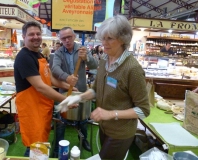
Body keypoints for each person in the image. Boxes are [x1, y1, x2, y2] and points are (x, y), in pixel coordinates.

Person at [58, 15, 150, 159]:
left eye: (110, 38)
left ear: (123, 39)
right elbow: (95, 90)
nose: (104, 43)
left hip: (121, 132)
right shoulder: (105, 59)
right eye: (103, 38)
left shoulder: (133, 69)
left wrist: (111, 114)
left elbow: (144, 110)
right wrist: (77, 98)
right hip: (104, 127)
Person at [14, 21, 77, 157]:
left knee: (41, 142)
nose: (36, 36)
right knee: (35, 145)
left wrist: (68, 86)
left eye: (38, 33)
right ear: (24, 36)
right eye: (31, 34)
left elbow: (50, 79)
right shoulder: (24, 57)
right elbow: (40, 86)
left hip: (42, 108)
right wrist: (65, 100)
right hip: (32, 109)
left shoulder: (39, 55)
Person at [51, 27, 98, 156]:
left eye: (69, 37)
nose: (67, 40)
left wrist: (87, 58)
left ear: (74, 36)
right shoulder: (59, 52)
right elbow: (54, 68)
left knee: (82, 119)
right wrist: (67, 78)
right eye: (63, 38)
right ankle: (58, 145)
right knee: (61, 120)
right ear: (60, 39)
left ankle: (83, 140)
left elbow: (94, 65)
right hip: (65, 91)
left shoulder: (82, 50)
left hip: (81, 91)